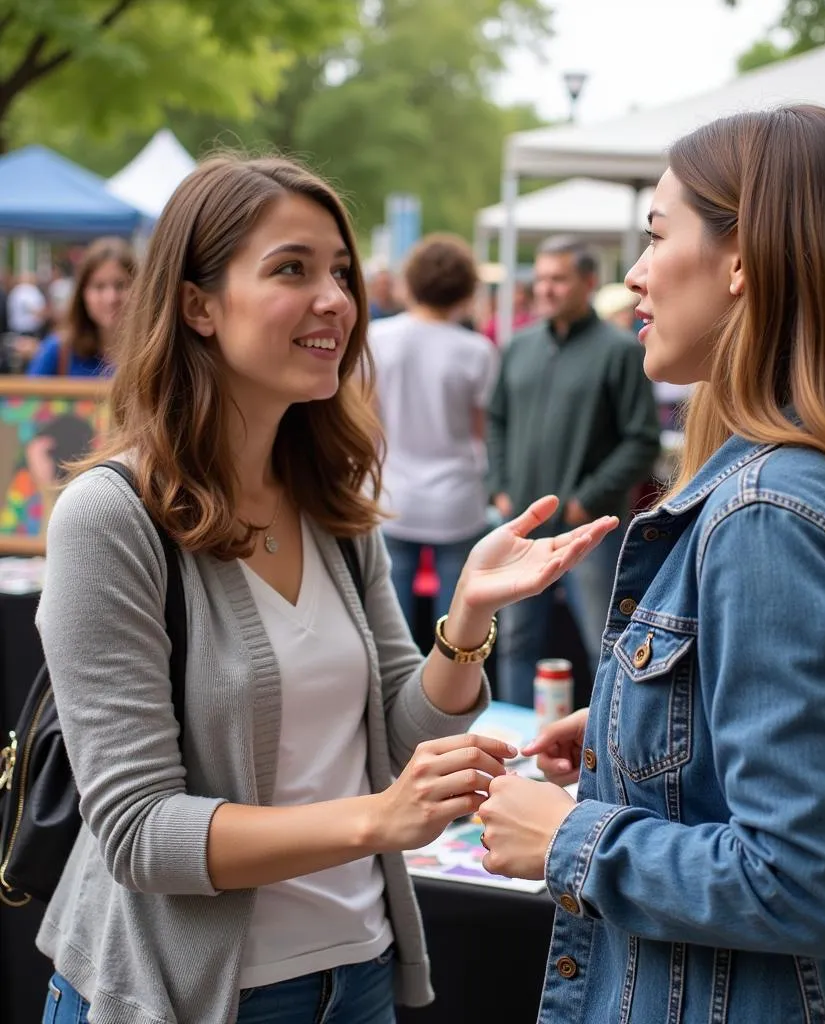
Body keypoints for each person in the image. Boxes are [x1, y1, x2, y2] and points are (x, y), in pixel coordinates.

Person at [33, 153, 618, 1024]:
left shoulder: (331, 505)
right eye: (291, 270)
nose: (336, 301)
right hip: (189, 994)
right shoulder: (111, 518)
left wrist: (466, 618)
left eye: (341, 272)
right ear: (197, 305)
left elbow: (400, 731)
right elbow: (138, 832)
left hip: (359, 975)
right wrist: (378, 820)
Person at [477, 106, 825, 1023]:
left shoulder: (767, 515)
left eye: (657, 234)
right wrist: (640, 722)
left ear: (743, 260)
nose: (633, 275)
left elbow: (804, 880)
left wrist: (569, 837)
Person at [487, 236, 661, 706]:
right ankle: (512, 749)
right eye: (540, 278)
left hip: (591, 532)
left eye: (557, 279)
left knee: (604, 644)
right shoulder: (518, 347)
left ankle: (608, 748)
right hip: (525, 526)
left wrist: (589, 498)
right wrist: (499, 486)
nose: (545, 288)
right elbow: (496, 421)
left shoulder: (620, 351)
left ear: (587, 282)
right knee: (517, 642)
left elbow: (642, 439)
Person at [370, 234, 498, 630]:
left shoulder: (377, 338)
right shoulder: (476, 350)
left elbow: (366, 416)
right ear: (464, 287)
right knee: (457, 614)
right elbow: (481, 429)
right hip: (456, 496)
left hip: (392, 490)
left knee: (392, 618)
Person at [27, 237, 136, 377]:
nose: (111, 298)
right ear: (82, 293)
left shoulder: (154, 353)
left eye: (121, 285)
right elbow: (29, 398)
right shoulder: (58, 351)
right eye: (99, 286)